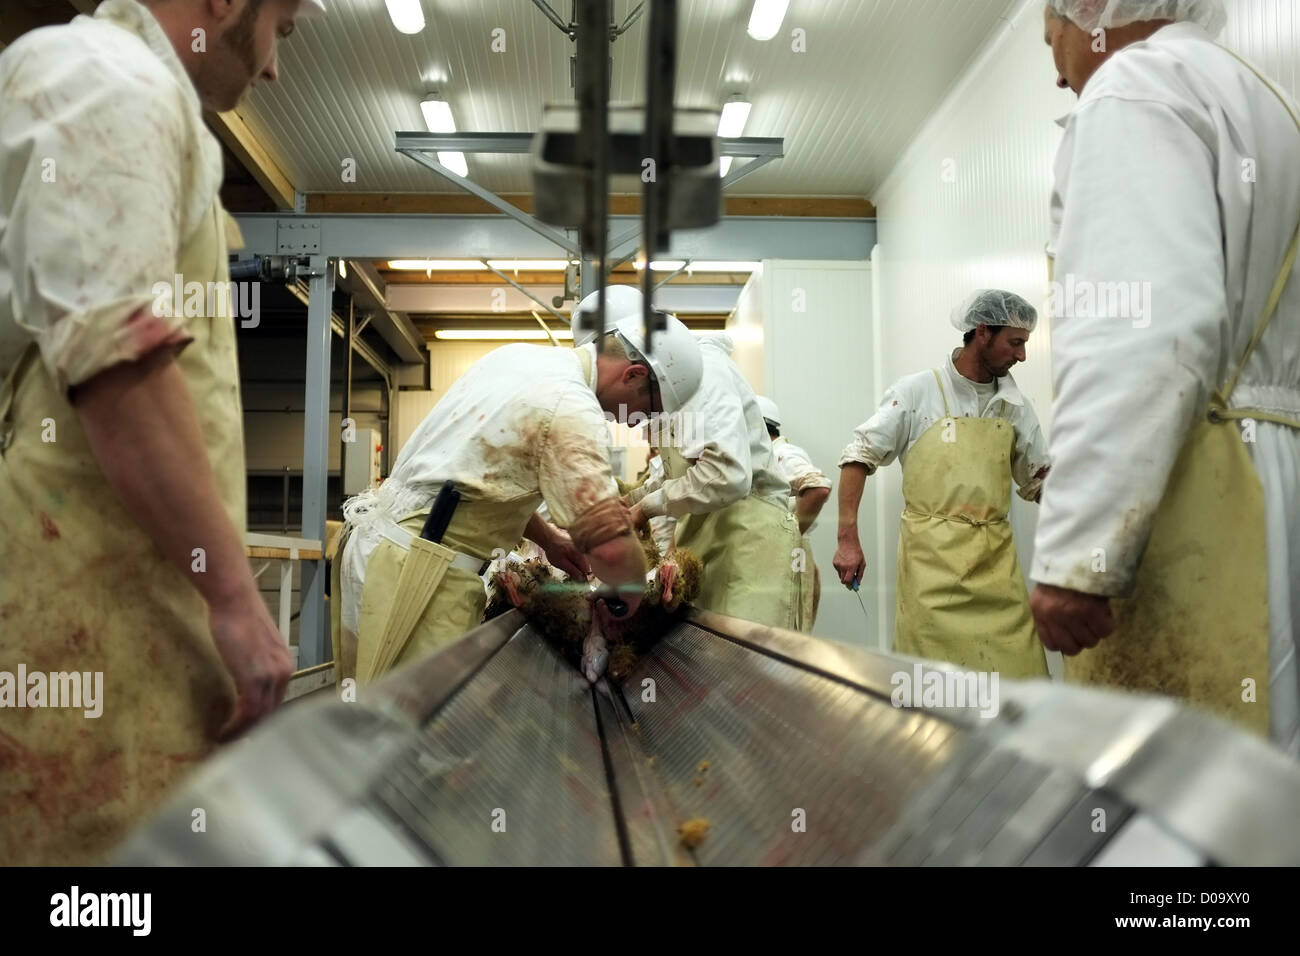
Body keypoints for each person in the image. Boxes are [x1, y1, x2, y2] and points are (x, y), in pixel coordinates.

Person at [0, 0, 321, 865]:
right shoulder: (110, 78)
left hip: (133, 595)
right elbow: (115, 359)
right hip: (81, 602)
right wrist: (237, 602)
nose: (273, 70)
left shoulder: (145, 100)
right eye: (279, 30)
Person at [1032, 0, 1300, 752]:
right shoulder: (1258, 98)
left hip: (1201, 489)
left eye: (1049, 32)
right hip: (1272, 471)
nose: (1054, 68)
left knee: (1186, 792)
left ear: (1090, 12)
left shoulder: (1133, 88)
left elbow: (1141, 334)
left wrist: (1080, 554)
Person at [333, 285, 702, 683]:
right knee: (407, 729)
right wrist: (628, 591)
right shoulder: (571, 409)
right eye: (646, 410)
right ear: (634, 375)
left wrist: (550, 540)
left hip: (388, 551)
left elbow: (480, 480)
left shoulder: (519, 358)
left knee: (369, 717)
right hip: (417, 571)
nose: (635, 423)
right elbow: (612, 549)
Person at [834, 291, 1051, 676]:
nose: (1021, 356)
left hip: (995, 569)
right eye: (1014, 343)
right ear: (982, 332)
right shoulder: (918, 392)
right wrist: (847, 539)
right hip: (931, 569)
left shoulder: (1014, 404)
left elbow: (1039, 481)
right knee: (934, 684)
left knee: (1019, 677)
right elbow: (858, 457)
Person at [625, 333, 805, 630]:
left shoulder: (702, 371)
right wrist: (630, 501)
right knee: (705, 651)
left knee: (744, 654)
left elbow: (726, 475)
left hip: (747, 538)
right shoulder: (672, 392)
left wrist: (643, 508)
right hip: (703, 538)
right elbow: (676, 474)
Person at [756, 395, 831, 629]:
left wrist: (788, 535)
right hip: (776, 558)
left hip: (787, 557)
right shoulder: (763, 456)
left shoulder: (783, 454)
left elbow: (818, 487)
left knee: (787, 631)